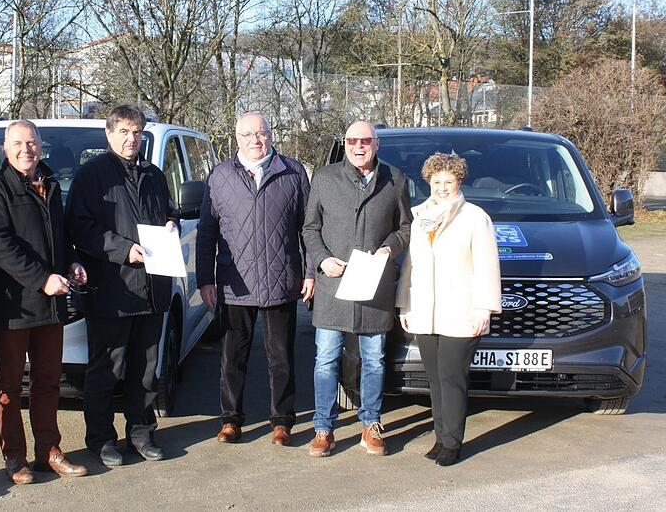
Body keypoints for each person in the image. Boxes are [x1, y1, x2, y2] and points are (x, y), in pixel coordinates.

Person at [65, 105, 177, 467]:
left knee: (145, 370)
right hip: (112, 290)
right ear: (109, 134)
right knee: (106, 370)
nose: (132, 139)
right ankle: (100, 439)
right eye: (125, 132)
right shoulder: (91, 176)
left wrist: (172, 224)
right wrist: (122, 249)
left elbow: (167, 212)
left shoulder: (156, 175)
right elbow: (79, 227)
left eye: (137, 132)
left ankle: (142, 432)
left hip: (153, 288)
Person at [0, 120, 89, 484]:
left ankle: (48, 451)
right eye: (18, 143)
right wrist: (43, 279)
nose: (26, 149)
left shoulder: (52, 184)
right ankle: (14, 458)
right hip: (15, 305)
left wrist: (71, 261)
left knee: (48, 382)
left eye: (32, 142)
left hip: (52, 305)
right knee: (9, 386)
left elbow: (61, 237)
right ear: (5, 148)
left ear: (40, 145)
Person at [196, 113, 314, 446]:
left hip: (281, 278)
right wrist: (205, 278)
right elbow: (207, 232)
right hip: (236, 282)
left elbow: (308, 228)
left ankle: (282, 421)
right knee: (233, 357)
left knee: (282, 357)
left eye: (261, 133)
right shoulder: (220, 176)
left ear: (271, 135)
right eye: (247, 134)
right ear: (237, 138)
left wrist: (309, 272)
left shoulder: (292, 173)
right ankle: (231, 420)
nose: (255, 140)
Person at [302, 121, 412, 457]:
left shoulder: (395, 180)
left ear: (376, 144)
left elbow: (406, 228)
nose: (358, 146)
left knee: (375, 360)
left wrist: (389, 249)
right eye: (352, 140)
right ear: (345, 144)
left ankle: (371, 424)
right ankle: (323, 428)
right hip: (333, 285)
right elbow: (310, 229)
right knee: (325, 360)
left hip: (373, 288)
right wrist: (322, 261)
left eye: (365, 141)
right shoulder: (324, 178)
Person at [396, 153, 501, 467]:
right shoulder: (419, 217)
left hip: (462, 311)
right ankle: (440, 438)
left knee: (452, 377)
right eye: (437, 181)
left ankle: (453, 443)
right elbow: (410, 266)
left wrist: (484, 308)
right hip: (425, 310)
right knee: (435, 379)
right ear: (429, 182)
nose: (442, 187)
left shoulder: (475, 217)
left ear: (459, 182)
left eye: (449, 182)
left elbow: (487, 266)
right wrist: (404, 303)